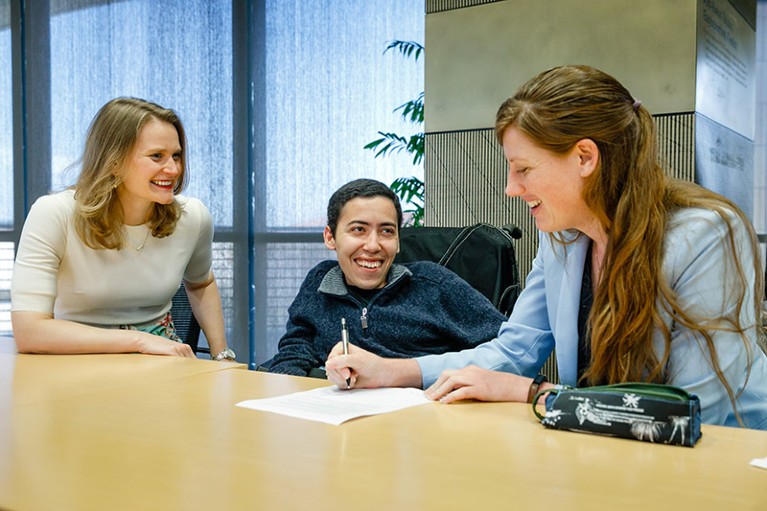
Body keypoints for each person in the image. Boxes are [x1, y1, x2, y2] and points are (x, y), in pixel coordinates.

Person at [325, 65, 767, 429]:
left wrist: (534, 394)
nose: (510, 189)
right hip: (608, 455)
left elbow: (686, 414)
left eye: (524, 169)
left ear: (585, 158)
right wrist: (391, 371)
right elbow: (513, 351)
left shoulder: (707, 236)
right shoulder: (561, 238)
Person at [11, 97, 235, 362]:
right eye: (156, 156)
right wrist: (139, 340)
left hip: (163, 362)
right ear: (114, 161)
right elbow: (30, 332)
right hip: (70, 358)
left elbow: (201, 284)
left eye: (176, 155)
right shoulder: (53, 214)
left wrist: (222, 357)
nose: (173, 169)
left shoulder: (192, 217)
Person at [268, 178, 507, 376]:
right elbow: (295, 348)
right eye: (358, 230)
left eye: (386, 231)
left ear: (398, 240)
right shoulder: (319, 282)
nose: (373, 246)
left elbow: (507, 349)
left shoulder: (434, 284)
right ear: (330, 237)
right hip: (337, 418)